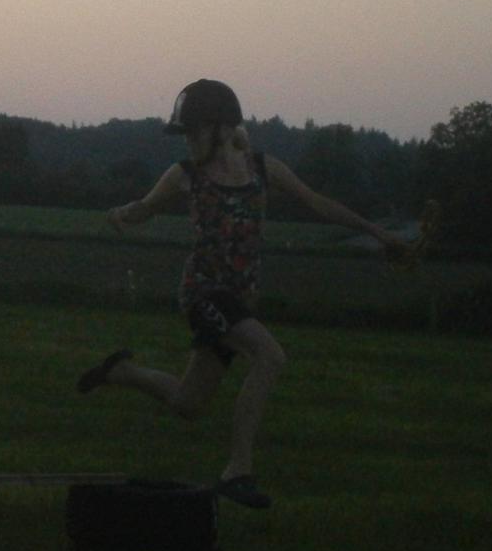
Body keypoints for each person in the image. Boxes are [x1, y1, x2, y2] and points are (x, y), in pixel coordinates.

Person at [77, 79, 408, 509]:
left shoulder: (264, 168)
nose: (189, 139)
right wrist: (123, 213)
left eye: (194, 130)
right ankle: (238, 470)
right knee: (270, 355)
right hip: (204, 294)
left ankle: (122, 373)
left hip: (240, 299)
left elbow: (318, 203)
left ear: (220, 128)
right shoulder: (184, 175)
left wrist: (378, 233)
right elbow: (146, 207)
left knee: (189, 403)